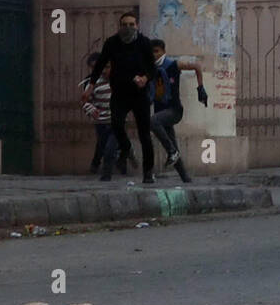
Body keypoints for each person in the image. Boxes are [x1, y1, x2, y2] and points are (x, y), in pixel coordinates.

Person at [87, 12, 157, 182]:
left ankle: (148, 173)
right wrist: (90, 86)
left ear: (137, 26)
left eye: (131, 24)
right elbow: (100, 64)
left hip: (139, 94)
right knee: (117, 125)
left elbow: (152, 68)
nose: (128, 28)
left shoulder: (144, 43)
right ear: (120, 26)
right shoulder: (112, 43)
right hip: (119, 93)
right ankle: (126, 148)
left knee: (144, 134)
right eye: (124, 24)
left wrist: (145, 78)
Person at [148, 39, 208, 183]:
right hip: (161, 111)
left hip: (174, 110)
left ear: (163, 51)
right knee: (171, 142)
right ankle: (185, 177)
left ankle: (172, 152)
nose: (154, 55)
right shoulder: (149, 69)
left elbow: (197, 66)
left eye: (156, 51)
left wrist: (200, 88)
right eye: (151, 52)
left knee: (153, 121)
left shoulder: (173, 65)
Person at [79, 53, 119, 181]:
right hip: (101, 122)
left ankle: (106, 175)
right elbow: (84, 101)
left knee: (109, 148)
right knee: (103, 145)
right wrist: (91, 109)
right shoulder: (91, 83)